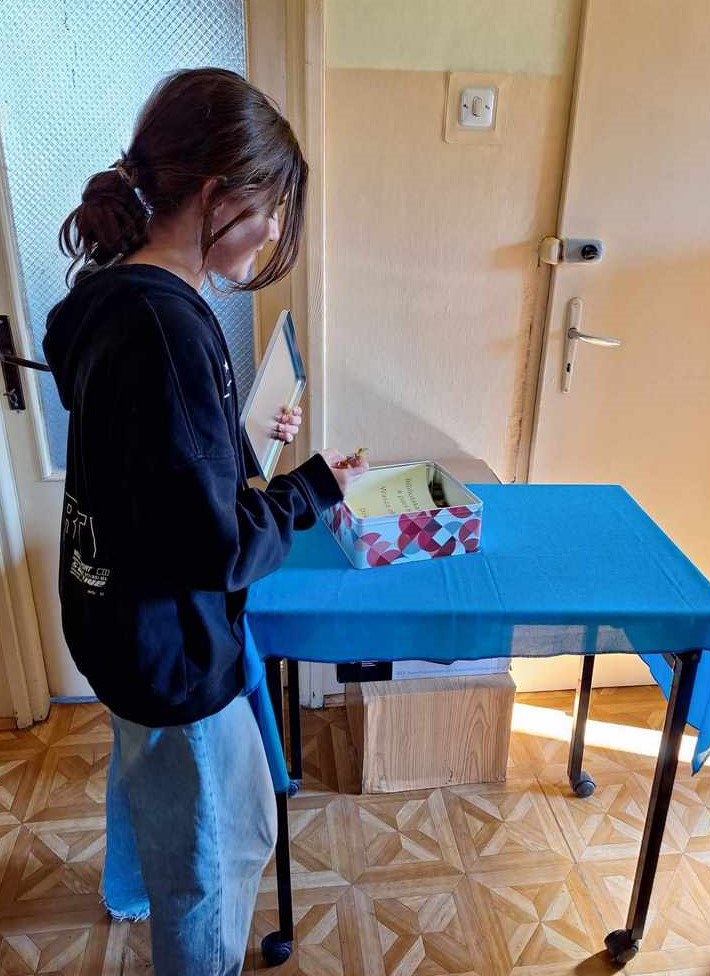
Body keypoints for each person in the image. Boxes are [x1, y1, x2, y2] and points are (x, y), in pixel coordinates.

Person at [42, 67, 367, 976]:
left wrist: (239, 439)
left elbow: (150, 466)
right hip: (172, 649)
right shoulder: (170, 328)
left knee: (155, 786)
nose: (270, 231)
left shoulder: (106, 297)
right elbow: (217, 548)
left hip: (111, 620)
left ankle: (127, 889)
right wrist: (308, 490)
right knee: (219, 855)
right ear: (218, 194)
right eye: (267, 208)